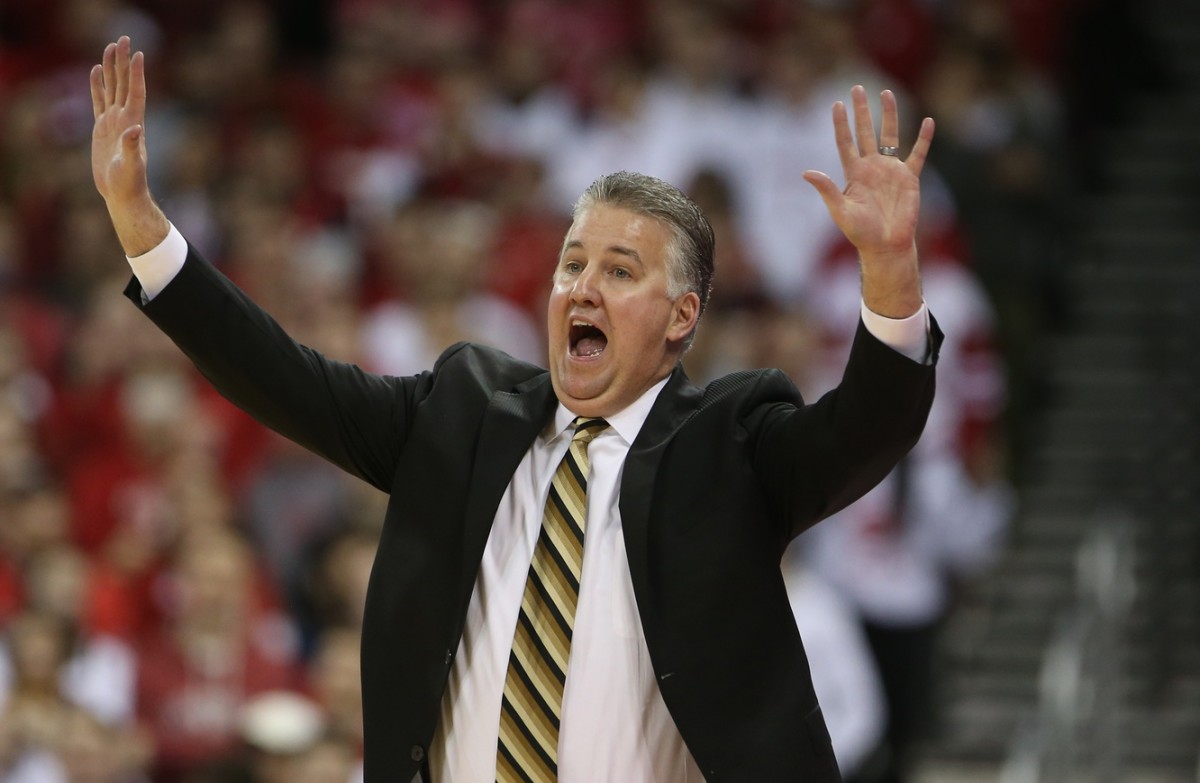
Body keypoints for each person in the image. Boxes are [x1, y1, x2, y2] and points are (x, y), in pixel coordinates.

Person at [90, 35, 940, 783]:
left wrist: (891, 273)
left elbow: (868, 427)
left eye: (620, 270)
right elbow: (285, 377)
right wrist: (143, 230)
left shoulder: (733, 444)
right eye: (572, 263)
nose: (583, 287)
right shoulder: (461, 414)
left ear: (683, 315)